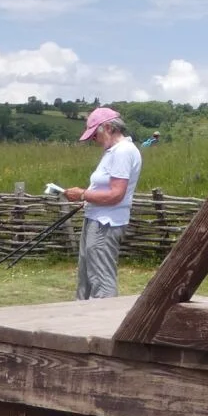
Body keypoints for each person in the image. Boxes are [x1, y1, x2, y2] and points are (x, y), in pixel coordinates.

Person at [65, 106, 142, 299]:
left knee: (101, 279)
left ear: (108, 127)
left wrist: (83, 194)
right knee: (87, 276)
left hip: (106, 223)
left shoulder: (122, 152)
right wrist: (88, 198)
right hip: (97, 219)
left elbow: (116, 194)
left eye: (94, 135)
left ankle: (103, 324)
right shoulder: (114, 150)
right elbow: (106, 189)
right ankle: (81, 320)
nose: (94, 140)